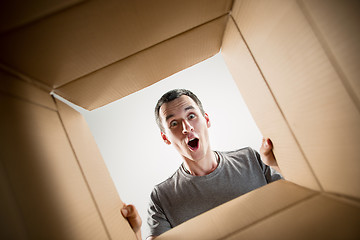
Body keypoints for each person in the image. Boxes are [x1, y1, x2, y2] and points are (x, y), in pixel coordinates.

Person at [121, 89, 282, 240]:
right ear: (166, 138)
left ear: (206, 120)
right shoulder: (161, 198)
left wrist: (277, 165)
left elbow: (299, 200)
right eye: (174, 124)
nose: (186, 128)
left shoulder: (250, 159)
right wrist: (135, 233)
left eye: (191, 116)